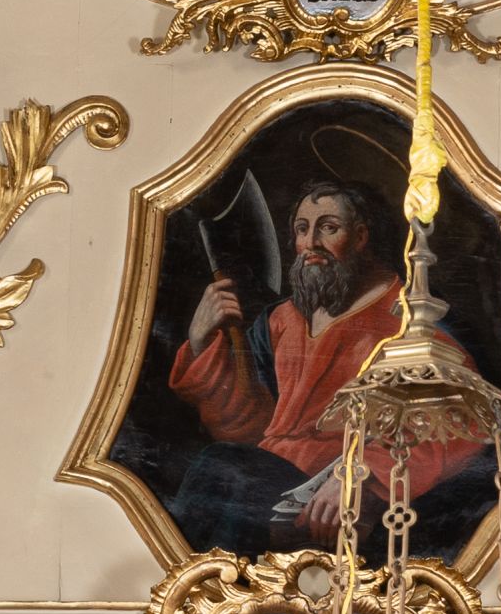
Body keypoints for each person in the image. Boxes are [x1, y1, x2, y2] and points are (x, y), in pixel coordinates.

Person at [165, 176, 480, 549]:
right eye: (302, 229)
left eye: (328, 228)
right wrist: (201, 342)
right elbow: (246, 429)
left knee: (222, 468)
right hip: (269, 487)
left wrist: (361, 474)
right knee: (222, 473)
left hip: (338, 502)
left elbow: (461, 421)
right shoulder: (279, 321)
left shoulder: (409, 319)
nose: (311, 243)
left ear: (360, 236)